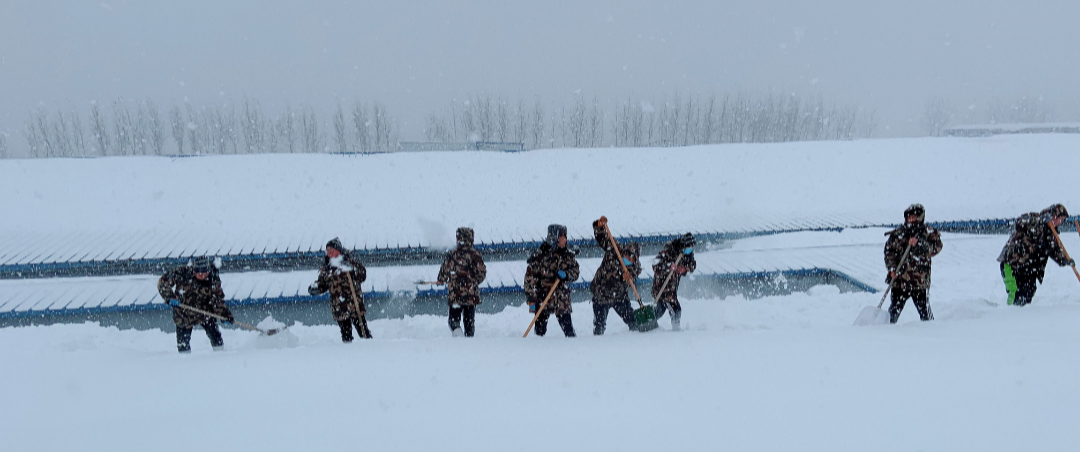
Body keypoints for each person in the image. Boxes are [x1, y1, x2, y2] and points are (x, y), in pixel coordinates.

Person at [998, 204, 1074, 306]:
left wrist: (1064, 260)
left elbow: (1054, 250)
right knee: (1015, 292)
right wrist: (1040, 221)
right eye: (1059, 219)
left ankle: (1022, 316)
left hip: (1030, 268)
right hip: (1013, 264)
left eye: (1062, 221)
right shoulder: (1034, 219)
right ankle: (1009, 314)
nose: (1059, 223)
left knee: (1029, 291)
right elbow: (1020, 223)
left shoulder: (1049, 234)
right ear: (1053, 216)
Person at [157, 256, 234, 353]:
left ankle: (220, 356)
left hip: (206, 312)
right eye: (199, 274)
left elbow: (217, 299)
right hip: (183, 313)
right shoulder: (182, 273)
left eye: (204, 273)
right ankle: (185, 362)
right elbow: (162, 283)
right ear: (193, 271)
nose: (202, 276)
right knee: (183, 343)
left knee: (216, 337)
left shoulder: (213, 278)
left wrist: (224, 315)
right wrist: (169, 297)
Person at [884, 204, 943, 323]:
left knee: (926, 315)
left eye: (914, 217)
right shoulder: (898, 234)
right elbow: (889, 252)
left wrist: (920, 244)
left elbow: (936, 248)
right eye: (909, 217)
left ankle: (932, 334)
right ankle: (886, 334)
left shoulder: (929, 233)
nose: (911, 220)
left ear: (920, 217)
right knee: (893, 314)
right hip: (900, 282)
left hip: (919, 282)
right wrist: (892, 269)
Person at [308, 238, 372, 342]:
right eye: (327, 250)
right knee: (346, 335)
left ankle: (371, 350)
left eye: (331, 250)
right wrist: (316, 288)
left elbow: (362, 275)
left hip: (354, 304)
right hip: (339, 307)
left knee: (364, 332)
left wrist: (352, 270)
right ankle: (348, 353)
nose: (329, 253)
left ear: (338, 250)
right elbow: (323, 284)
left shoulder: (350, 262)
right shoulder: (327, 269)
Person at [524, 224, 580, 337]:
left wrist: (567, 275)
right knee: (539, 332)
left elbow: (575, 272)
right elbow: (530, 279)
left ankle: (573, 350)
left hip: (561, 299)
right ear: (555, 237)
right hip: (543, 298)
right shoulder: (541, 255)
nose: (565, 239)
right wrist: (532, 301)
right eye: (563, 236)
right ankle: (537, 351)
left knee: (569, 331)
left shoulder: (568, 255)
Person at [590, 216, 642, 335]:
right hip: (601, 293)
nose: (630, 259)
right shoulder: (615, 250)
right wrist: (599, 225)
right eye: (629, 256)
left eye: (633, 258)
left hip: (619, 296)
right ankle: (597, 345)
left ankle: (637, 340)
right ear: (625, 252)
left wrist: (629, 278)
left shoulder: (635, 266)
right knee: (599, 325)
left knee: (632, 321)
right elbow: (602, 237)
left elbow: (634, 276)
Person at [437, 227, 487, 337]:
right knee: (469, 323)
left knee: (453, 321)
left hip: (455, 295)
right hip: (471, 294)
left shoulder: (452, 254)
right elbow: (482, 274)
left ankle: (458, 337)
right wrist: (472, 282)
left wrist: (443, 279)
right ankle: (469, 343)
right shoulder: (475, 255)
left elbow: (443, 274)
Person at [652, 233, 697, 331]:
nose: (690, 249)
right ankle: (676, 331)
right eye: (689, 247)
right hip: (662, 288)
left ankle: (648, 325)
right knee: (676, 310)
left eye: (692, 247)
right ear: (683, 245)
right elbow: (655, 265)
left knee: (659, 311)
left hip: (672, 289)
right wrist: (669, 266)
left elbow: (693, 264)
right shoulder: (669, 251)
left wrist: (685, 269)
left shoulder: (687, 255)